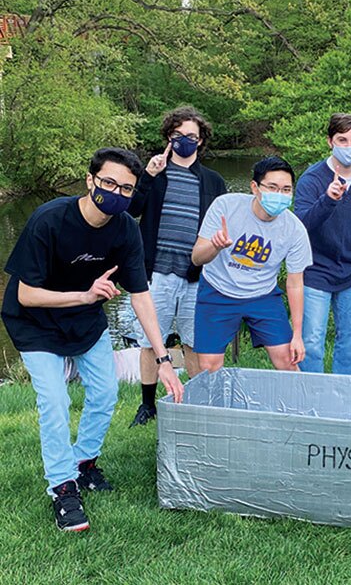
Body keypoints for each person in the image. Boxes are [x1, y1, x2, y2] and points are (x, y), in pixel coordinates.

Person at [1, 148, 183, 532]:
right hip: (35, 322)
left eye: (127, 189)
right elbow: (25, 294)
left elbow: (141, 295)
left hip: (85, 322)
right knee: (54, 400)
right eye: (109, 183)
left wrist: (165, 360)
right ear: (90, 181)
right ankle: (63, 488)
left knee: (104, 394)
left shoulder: (125, 229)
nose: (116, 193)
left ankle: (83, 464)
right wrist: (85, 295)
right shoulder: (49, 219)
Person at [127, 106, 226, 427]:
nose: (185, 141)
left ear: (201, 142)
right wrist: (148, 176)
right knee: (149, 341)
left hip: (196, 276)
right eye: (178, 136)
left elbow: (222, 229)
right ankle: (147, 406)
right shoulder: (153, 174)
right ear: (169, 138)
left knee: (193, 342)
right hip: (155, 273)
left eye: (191, 137)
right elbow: (131, 211)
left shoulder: (213, 181)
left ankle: (195, 403)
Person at [191, 156, 312, 372]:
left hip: (262, 295)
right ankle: (218, 406)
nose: (280, 195)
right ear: (255, 187)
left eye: (286, 190)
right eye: (272, 187)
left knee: (288, 360)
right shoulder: (225, 206)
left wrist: (297, 335)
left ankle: (296, 406)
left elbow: (295, 283)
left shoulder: (295, 229)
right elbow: (197, 257)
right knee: (209, 367)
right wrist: (216, 247)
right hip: (218, 290)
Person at [295, 113, 351, 375]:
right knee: (311, 344)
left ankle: (342, 399)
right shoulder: (312, 179)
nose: (349, 146)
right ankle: (311, 400)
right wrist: (327, 199)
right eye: (342, 140)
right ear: (330, 141)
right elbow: (300, 226)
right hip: (315, 273)